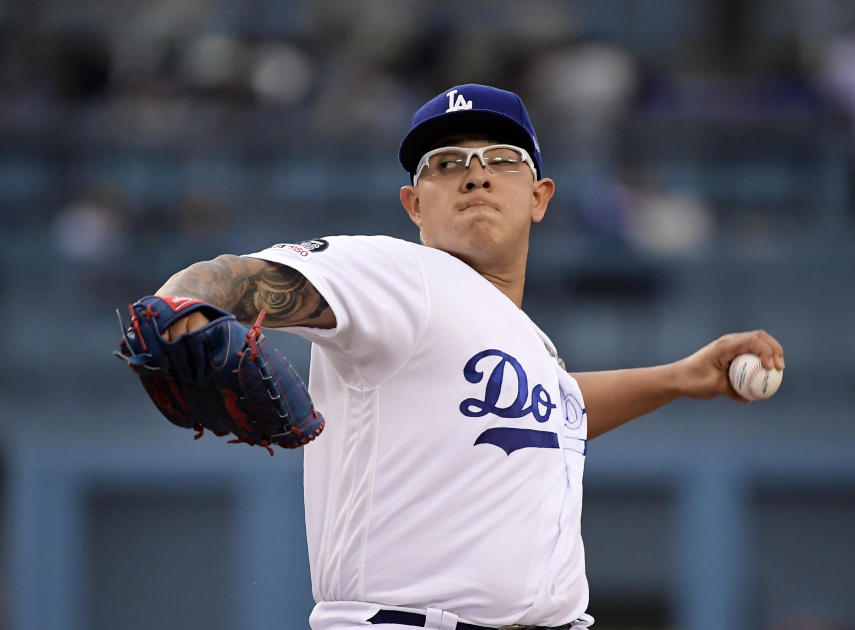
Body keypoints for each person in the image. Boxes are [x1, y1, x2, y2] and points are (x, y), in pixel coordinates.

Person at [154, 84, 785, 630]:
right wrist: (182, 311)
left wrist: (679, 378)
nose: (476, 174)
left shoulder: (524, 343)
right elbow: (230, 276)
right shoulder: (403, 276)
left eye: (501, 159)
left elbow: (557, 408)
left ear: (539, 197)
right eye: (448, 162)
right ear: (415, 205)